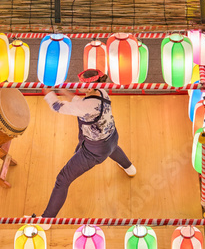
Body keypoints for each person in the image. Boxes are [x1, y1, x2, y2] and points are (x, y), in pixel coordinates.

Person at [41, 69, 136, 219]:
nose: (78, 85)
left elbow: (57, 107)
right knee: (113, 149)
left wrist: (47, 91)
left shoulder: (86, 106)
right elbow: (82, 102)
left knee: (62, 180)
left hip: (93, 151)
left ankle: (46, 219)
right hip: (111, 136)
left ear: (90, 87)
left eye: (81, 84)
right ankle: (130, 168)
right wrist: (62, 90)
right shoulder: (102, 92)